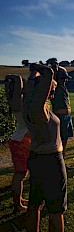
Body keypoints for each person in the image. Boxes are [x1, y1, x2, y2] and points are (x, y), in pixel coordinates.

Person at [23, 63, 74, 232]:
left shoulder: (27, 106)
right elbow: (48, 76)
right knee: (56, 211)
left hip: (36, 158)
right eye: (52, 89)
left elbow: (19, 80)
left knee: (34, 205)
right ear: (45, 90)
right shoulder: (40, 110)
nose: (53, 91)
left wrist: (33, 73)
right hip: (51, 162)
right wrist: (43, 68)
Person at [4, 74, 31, 212]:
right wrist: (15, 77)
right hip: (21, 141)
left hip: (21, 139)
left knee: (21, 174)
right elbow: (19, 82)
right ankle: (17, 205)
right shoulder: (17, 101)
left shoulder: (18, 101)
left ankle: (19, 199)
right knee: (20, 174)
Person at [49, 59, 74, 171]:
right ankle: (58, 164)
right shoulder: (55, 87)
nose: (65, 81)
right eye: (63, 78)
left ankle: (62, 163)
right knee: (60, 141)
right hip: (60, 117)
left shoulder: (64, 87)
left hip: (67, 117)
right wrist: (55, 68)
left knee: (65, 141)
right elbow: (52, 74)